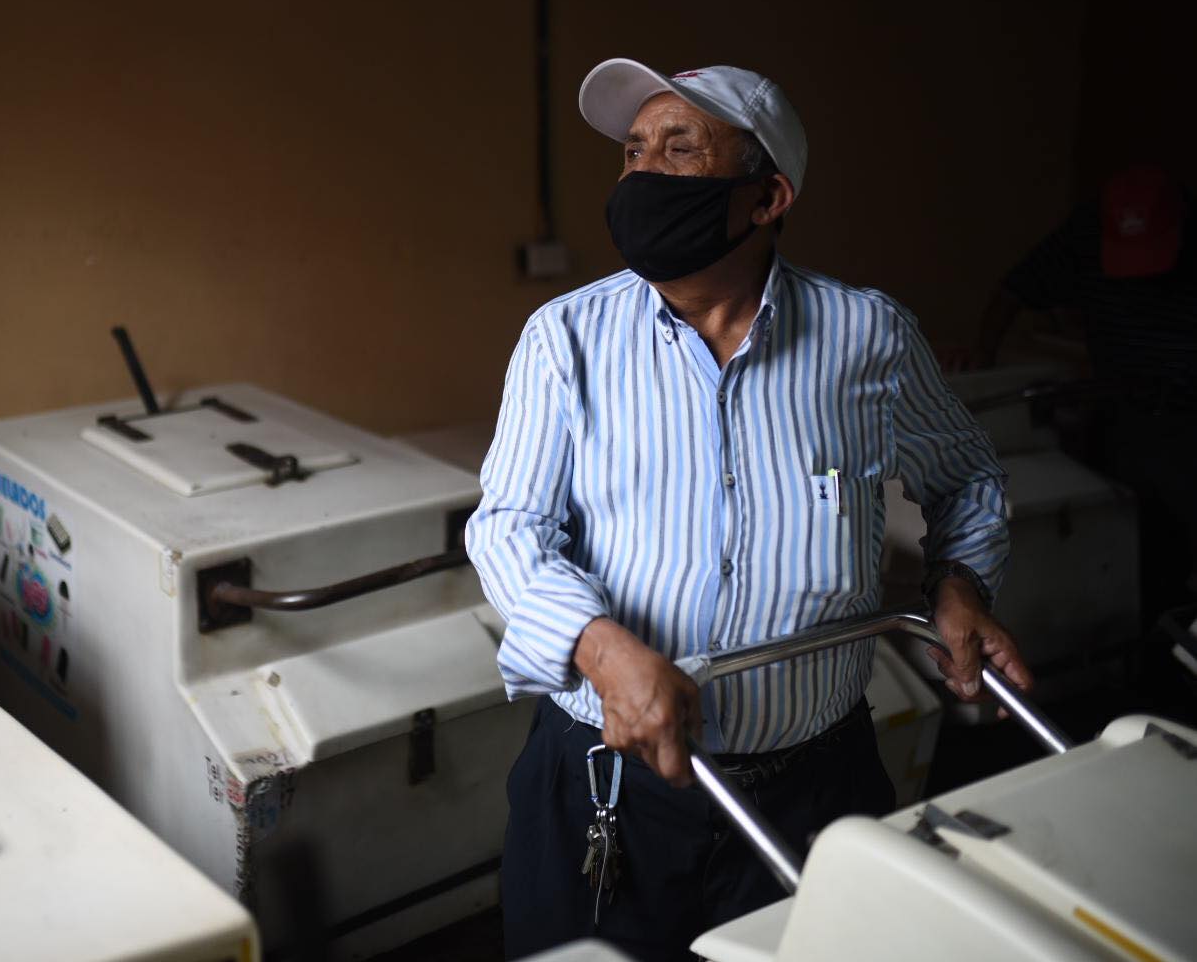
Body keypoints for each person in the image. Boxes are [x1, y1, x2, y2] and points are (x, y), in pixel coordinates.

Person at [465, 58, 1033, 960]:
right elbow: (507, 527)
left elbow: (966, 476)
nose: (643, 174)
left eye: (679, 149)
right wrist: (602, 649)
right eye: (632, 151)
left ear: (767, 197)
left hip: (815, 787)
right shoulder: (564, 338)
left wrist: (959, 582)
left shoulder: (868, 338)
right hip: (608, 783)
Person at [975, 165, 1197, 613]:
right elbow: (1016, 288)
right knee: (1115, 541)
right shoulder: (1085, 231)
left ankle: (1166, 644)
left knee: (1176, 555)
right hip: (1118, 409)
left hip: (1185, 418)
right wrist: (984, 359)